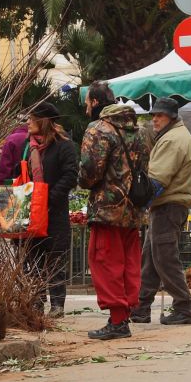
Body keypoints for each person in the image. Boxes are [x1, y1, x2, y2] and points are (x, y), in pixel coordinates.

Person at [79, 103, 151, 340]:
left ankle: (118, 321)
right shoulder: (139, 132)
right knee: (129, 262)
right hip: (133, 209)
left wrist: (83, 181)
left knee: (106, 261)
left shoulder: (99, 129)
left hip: (108, 209)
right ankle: (125, 313)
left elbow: (90, 172)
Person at [130, 98, 191, 326]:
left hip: (169, 205)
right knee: (151, 258)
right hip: (166, 205)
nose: (155, 119)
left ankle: (183, 307)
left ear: (171, 117)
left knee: (165, 258)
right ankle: (141, 307)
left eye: (159, 115)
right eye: (153, 115)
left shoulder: (173, 139)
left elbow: (158, 179)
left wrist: (139, 202)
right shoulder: (173, 136)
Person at [15, 102, 79, 317]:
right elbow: (20, 173)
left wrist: (48, 199)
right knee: (32, 260)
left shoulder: (64, 146)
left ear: (44, 121)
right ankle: (36, 305)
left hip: (54, 212)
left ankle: (57, 305)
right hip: (30, 213)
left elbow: (70, 175)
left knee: (54, 259)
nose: (28, 122)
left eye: (32, 119)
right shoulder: (27, 147)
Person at [0, 116, 29, 183]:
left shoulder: (11, 139)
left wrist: (0, 183)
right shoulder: (37, 138)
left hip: (13, 184)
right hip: (32, 185)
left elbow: (5, 166)